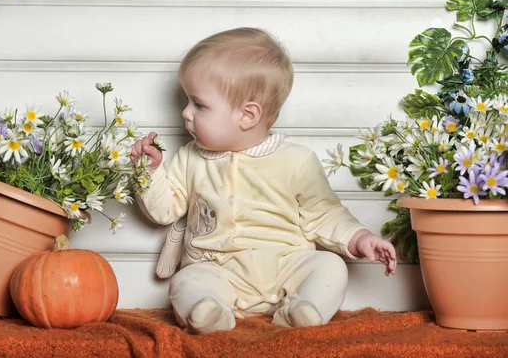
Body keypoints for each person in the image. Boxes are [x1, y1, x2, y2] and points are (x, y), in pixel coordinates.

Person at [130, 27, 396, 334]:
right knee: (185, 280)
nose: (185, 113)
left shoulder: (297, 161)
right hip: (218, 270)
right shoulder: (191, 158)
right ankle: (209, 313)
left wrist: (360, 238)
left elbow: (326, 214)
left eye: (198, 104)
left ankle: (304, 309)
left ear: (247, 115)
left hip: (286, 267)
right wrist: (149, 172)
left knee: (330, 266)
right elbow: (164, 210)